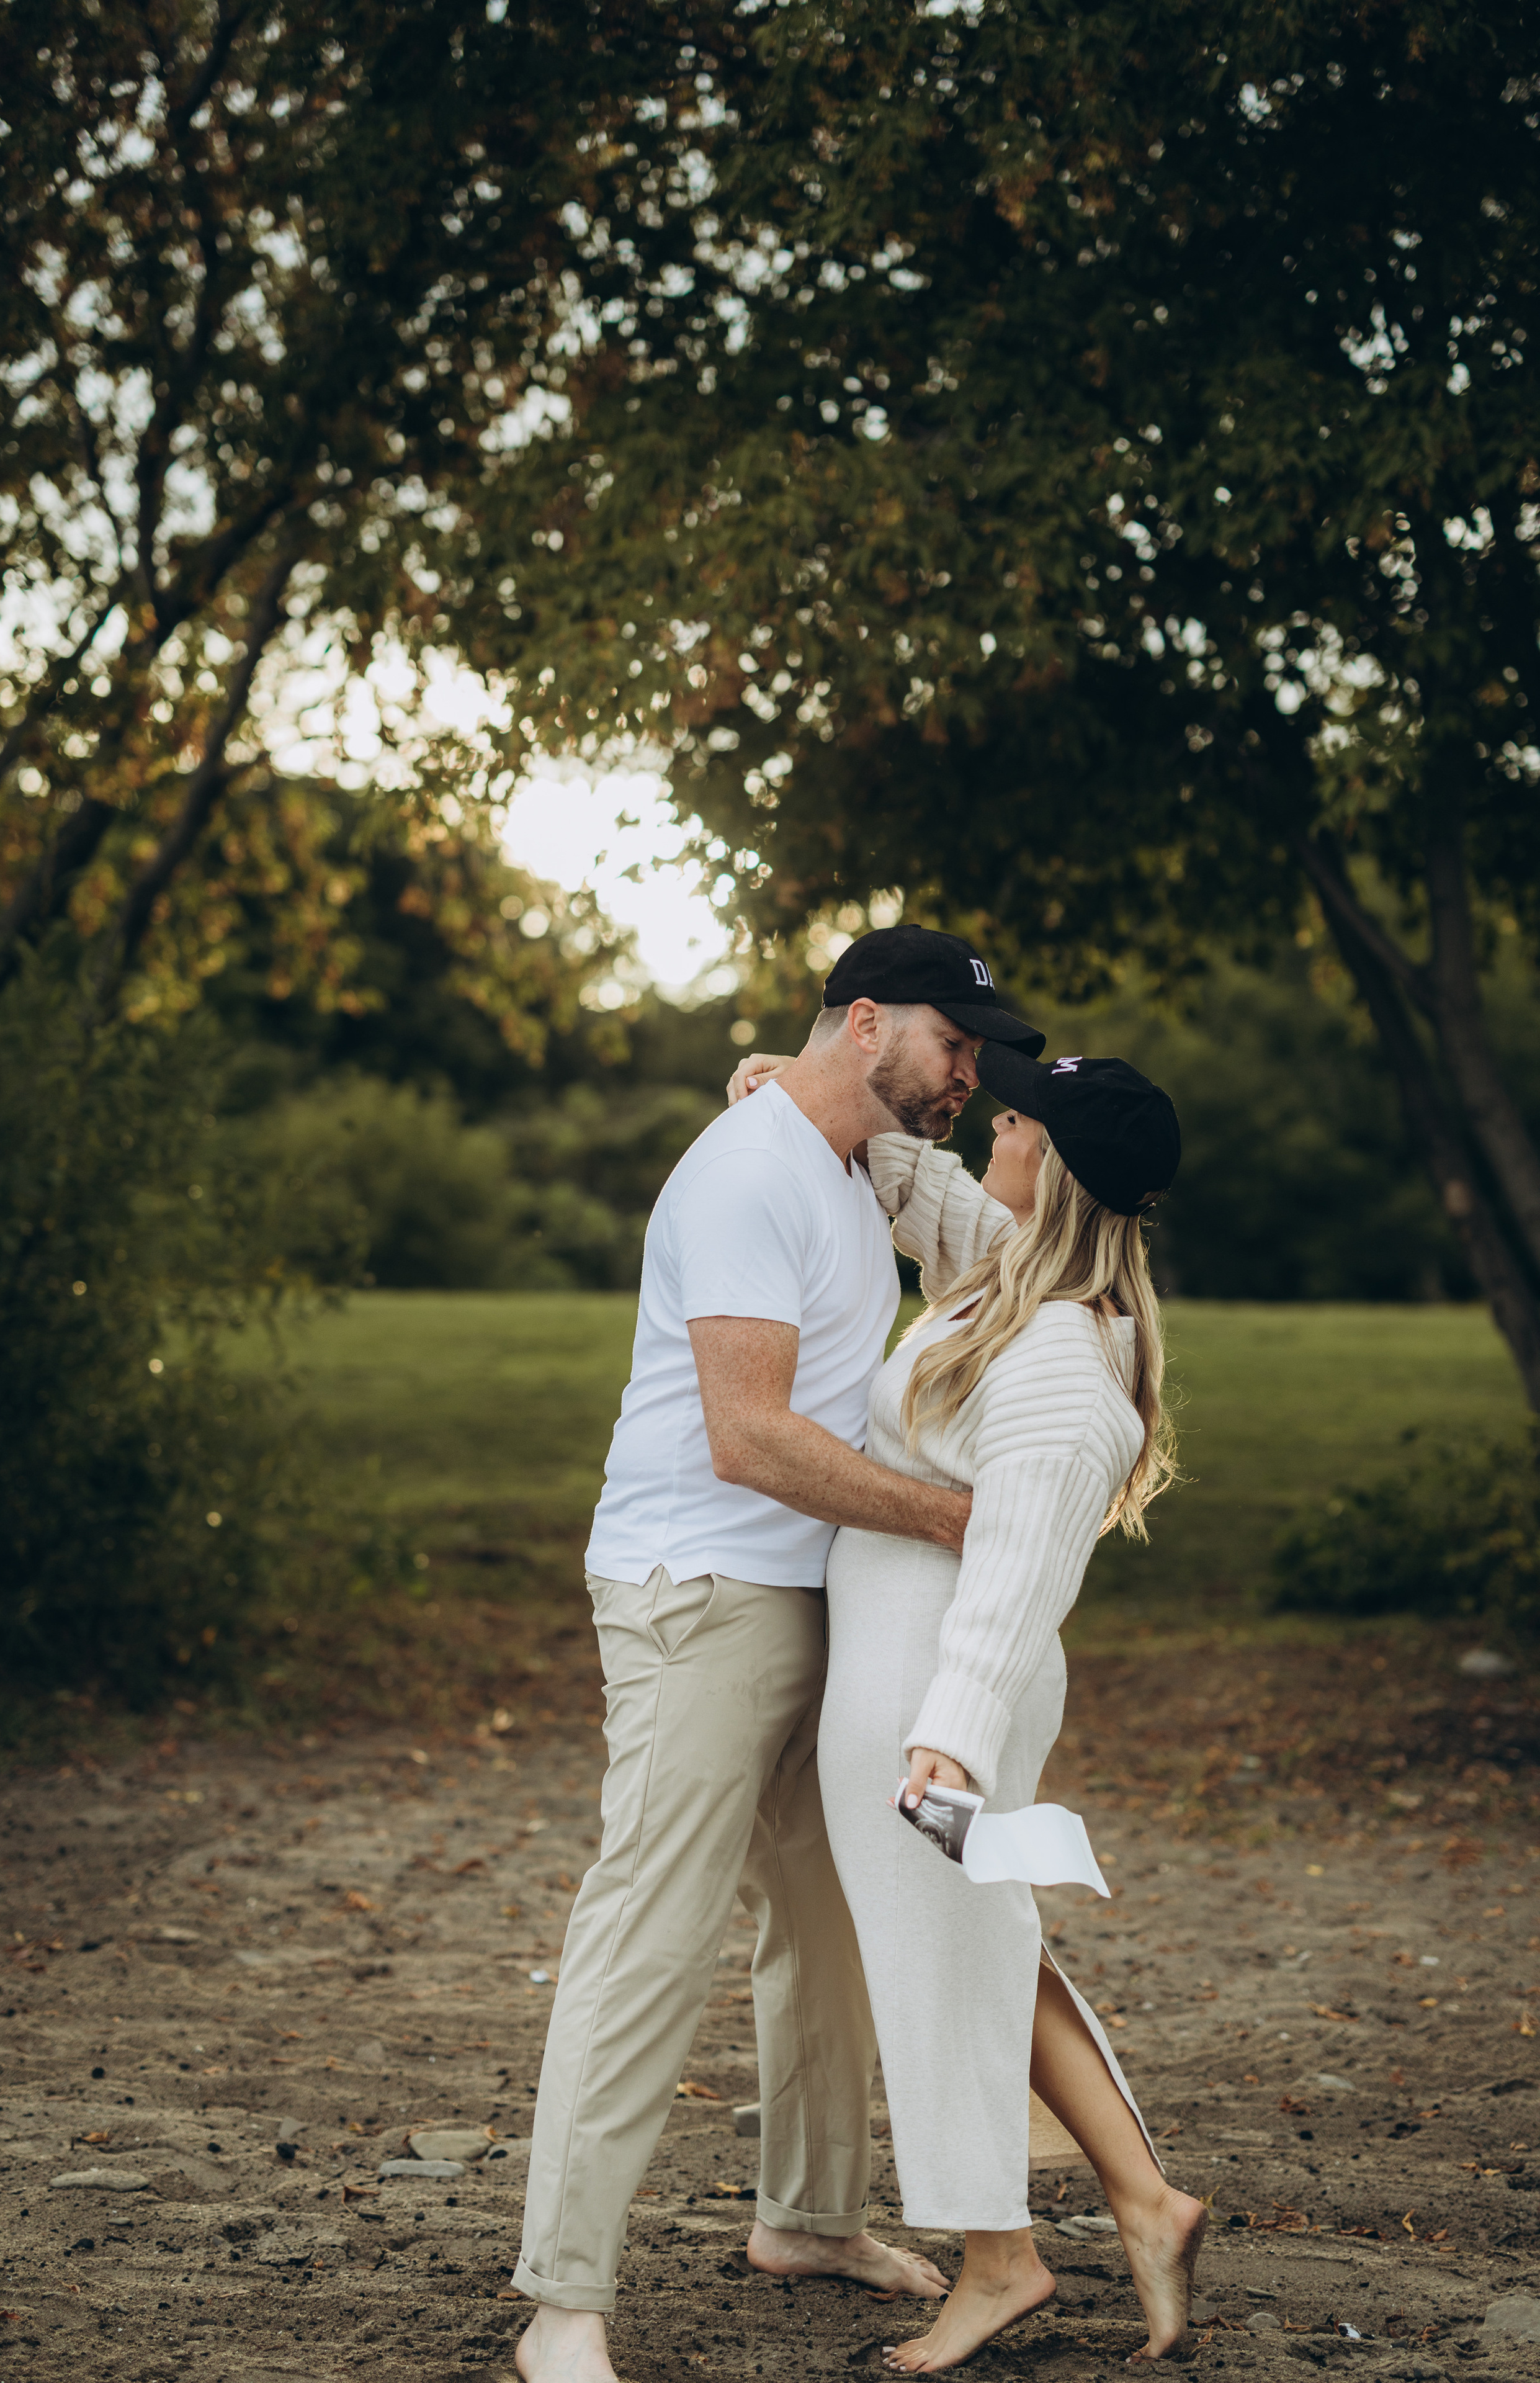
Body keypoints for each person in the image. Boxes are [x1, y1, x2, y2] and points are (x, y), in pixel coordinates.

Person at [514, 927, 1047, 2383]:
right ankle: (560, 2301)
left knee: (826, 1924)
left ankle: (807, 2219)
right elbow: (748, 1438)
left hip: (809, 1596)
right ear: (864, 1020)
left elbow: (1001, 1254)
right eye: (953, 1042)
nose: (968, 1073)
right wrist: (952, 1520)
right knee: (649, 1931)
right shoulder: (748, 1170)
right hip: (698, 1596)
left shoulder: (841, 1162)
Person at [731, 1039, 1205, 2367]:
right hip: (904, 1677)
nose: (991, 1123)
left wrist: (949, 1735)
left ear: (1047, 1166)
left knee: (938, 1970)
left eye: (1017, 1118)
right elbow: (918, 1188)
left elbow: (1014, 1576)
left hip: (930, 1693)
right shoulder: (1005, 1278)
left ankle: (998, 2263)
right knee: (982, 1948)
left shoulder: (1061, 1357)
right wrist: (811, 1082)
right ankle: (1144, 2202)